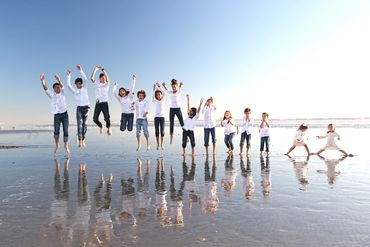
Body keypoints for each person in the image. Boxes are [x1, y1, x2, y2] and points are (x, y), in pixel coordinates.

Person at [40, 73, 70, 156]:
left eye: (59, 87)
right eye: (57, 87)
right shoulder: (51, 95)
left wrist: (59, 80)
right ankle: (57, 145)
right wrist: (42, 81)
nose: (59, 88)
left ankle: (66, 145)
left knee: (66, 130)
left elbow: (62, 86)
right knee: (56, 131)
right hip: (56, 115)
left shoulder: (63, 93)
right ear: (54, 89)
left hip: (64, 114)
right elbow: (45, 89)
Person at [66, 65, 90, 148]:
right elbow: (68, 85)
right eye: (77, 84)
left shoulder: (85, 88)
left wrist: (81, 70)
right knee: (79, 124)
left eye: (79, 83)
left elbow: (86, 79)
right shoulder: (75, 91)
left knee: (85, 125)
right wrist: (69, 76)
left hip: (86, 108)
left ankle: (83, 139)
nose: (78, 85)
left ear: (81, 84)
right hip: (79, 109)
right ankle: (80, 140)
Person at [90, 65, 112, 135]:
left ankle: (109, 128)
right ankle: (101, 126)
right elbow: (91, 78)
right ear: (99, 79)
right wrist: (95, 69)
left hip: (105, 103)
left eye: (104, 78)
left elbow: (108, 79)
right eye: (102, 78)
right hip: (98, 103)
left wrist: (103, 69)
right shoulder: (97, 84)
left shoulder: (107, 85)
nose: (104, 79)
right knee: (95, 119)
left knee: (106, 117)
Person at [162, 79, 184, 144]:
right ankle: (171, 138)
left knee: (181, 122)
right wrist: (164, 85)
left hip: (178, 109)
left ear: (176, 86)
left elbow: (180, 87)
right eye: (173, 87)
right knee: (171, 123)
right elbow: (167, 89)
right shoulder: (170, 92)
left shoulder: (179, 91)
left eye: (175, 87)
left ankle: (186, 135)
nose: (174, 88)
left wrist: (180, 85)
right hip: (171, 109)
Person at [153, 83, 166, 150]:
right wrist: (154, 88)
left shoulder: (163, 100)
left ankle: (162, 144)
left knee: (162, 132)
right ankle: (158, 144)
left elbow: (164, 93)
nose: (158, 96)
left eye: (159, 94)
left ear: (161, 95)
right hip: (156, 118)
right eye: (157, 95)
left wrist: (159, 86)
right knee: (157, 132)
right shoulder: (155, 101)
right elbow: (153, 94)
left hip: (162, 117)